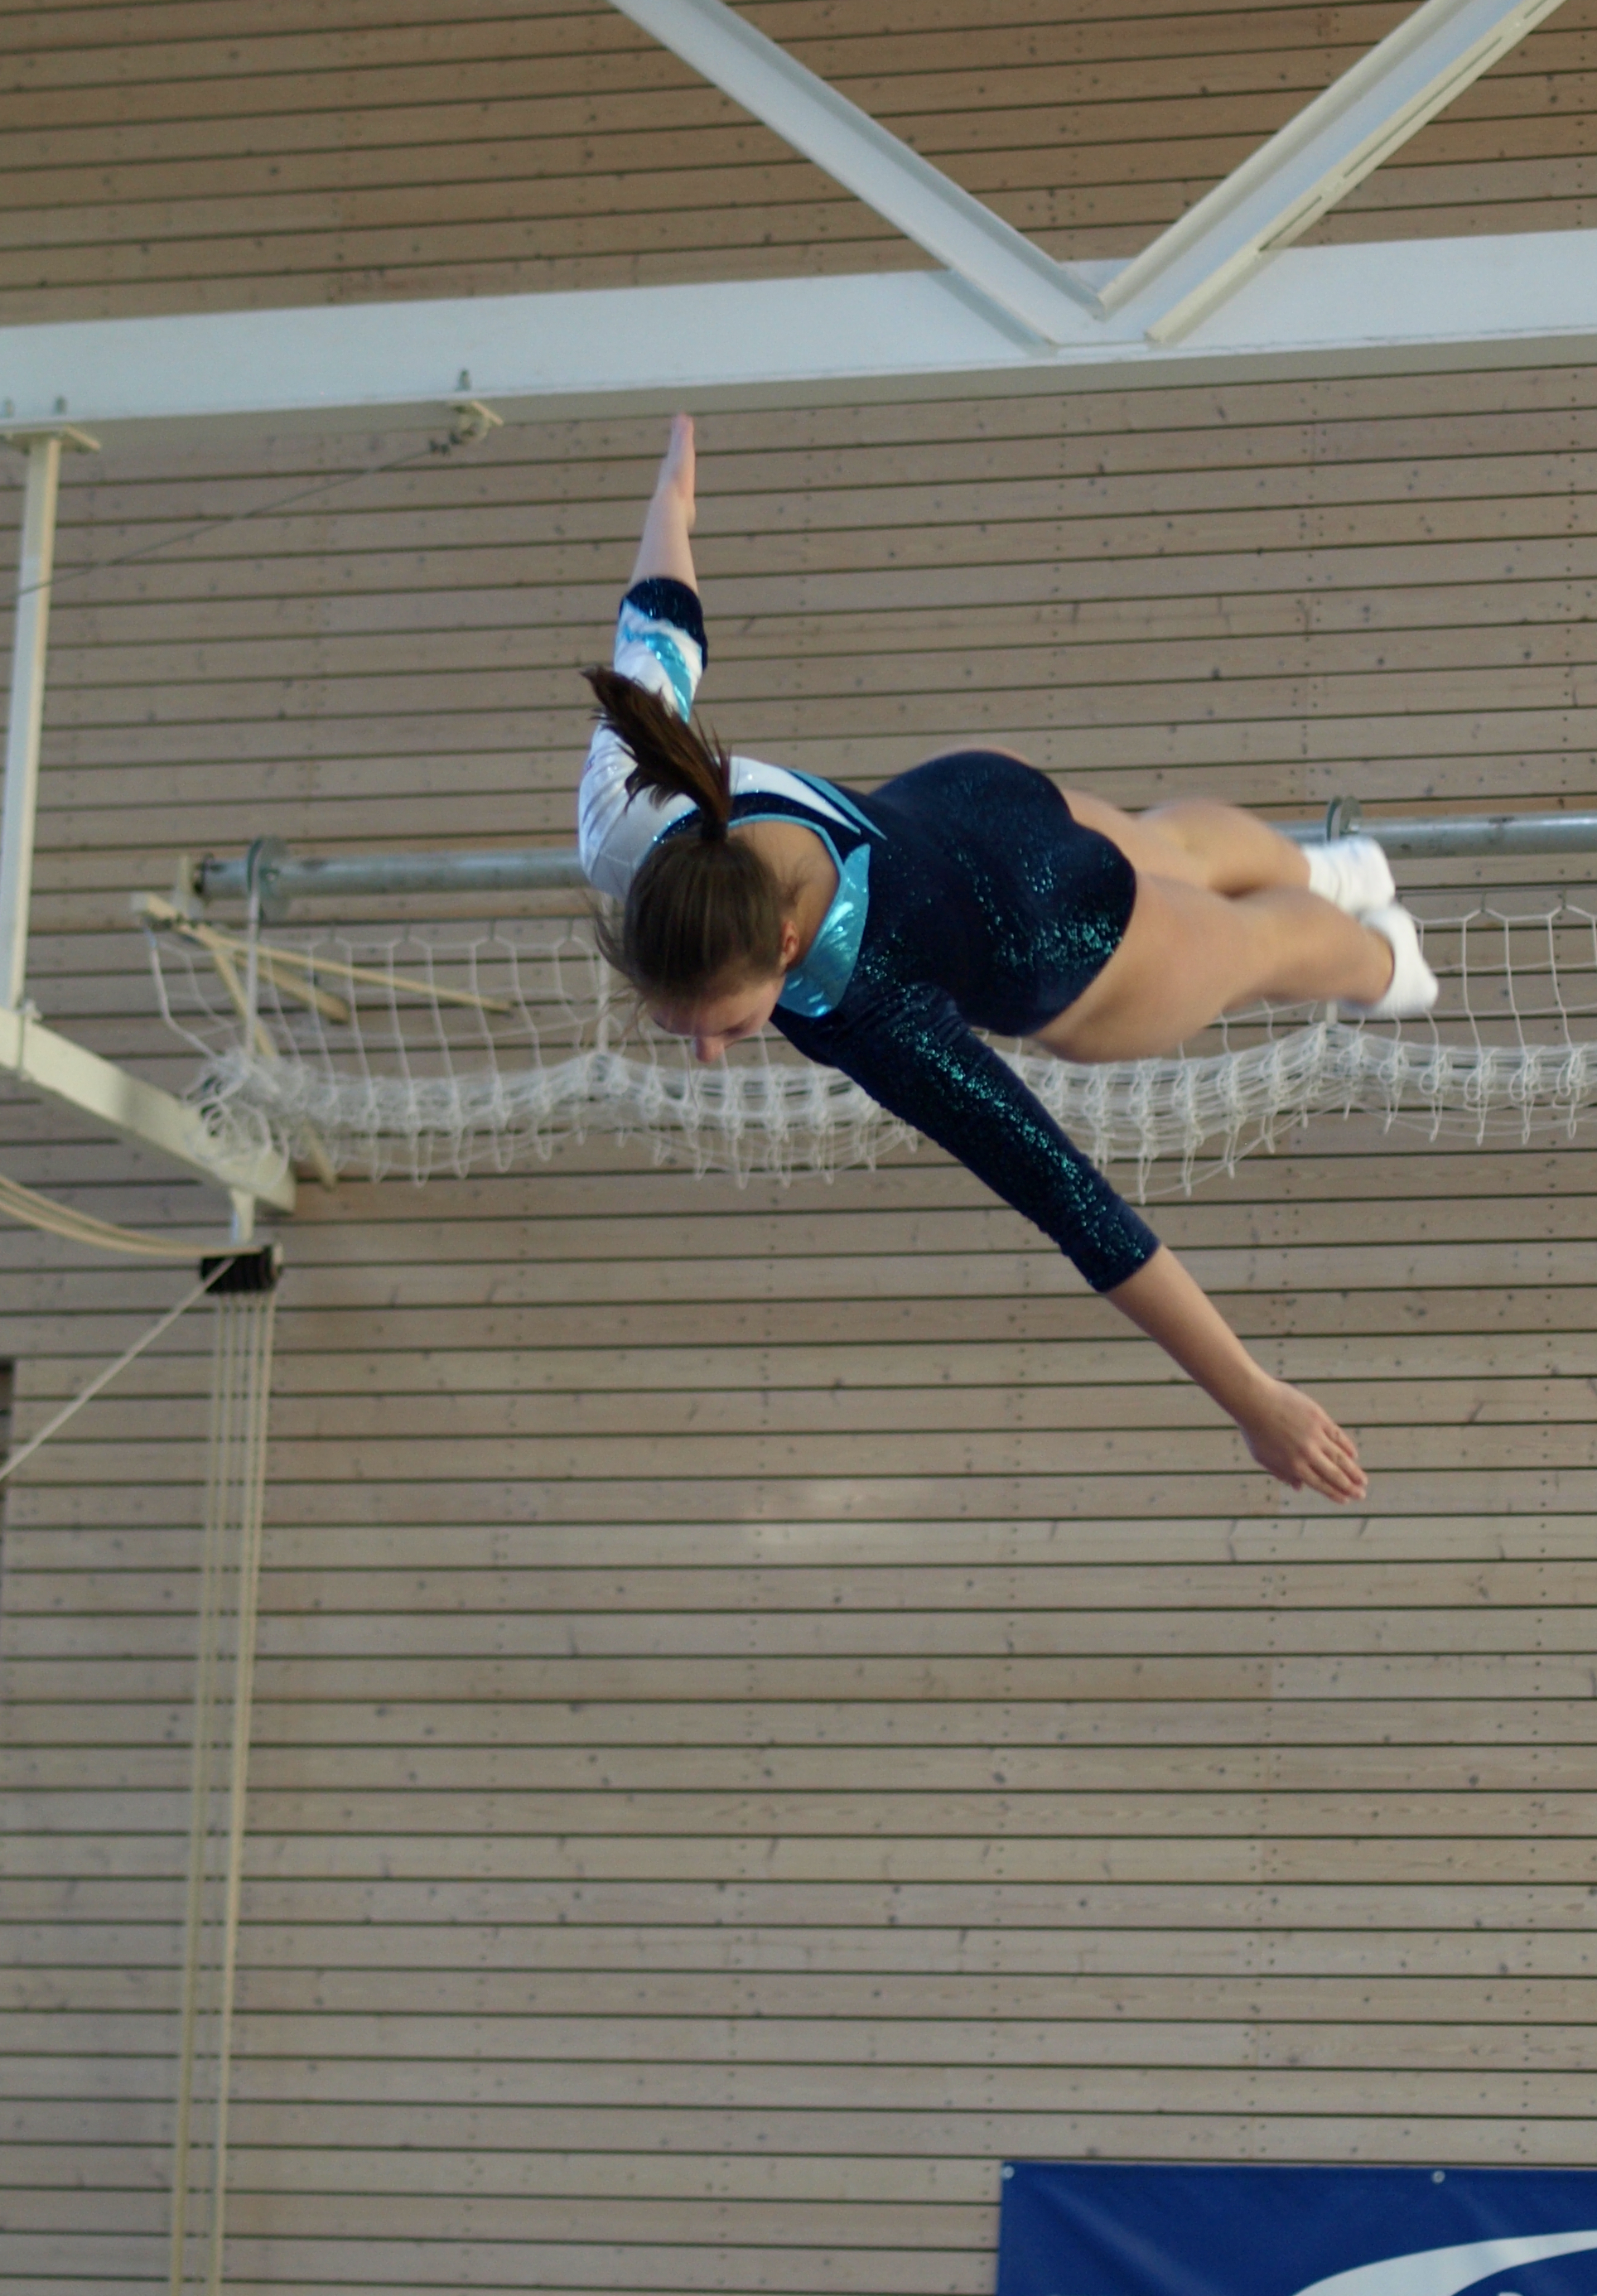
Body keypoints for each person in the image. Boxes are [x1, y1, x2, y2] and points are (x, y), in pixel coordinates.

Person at [578, 416, 1438, 1508]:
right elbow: (658, 629)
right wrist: (670, 505)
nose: (707, 1054)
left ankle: (1387, 957)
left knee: (1264, 948)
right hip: (976, 797)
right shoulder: (628, 813)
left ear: (788, 947)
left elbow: (1070, 1198)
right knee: (1173, 849)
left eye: (731, 1025)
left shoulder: (866, 1007)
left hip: (1067, 952)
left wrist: (1253, 1399)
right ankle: (1332, 866)